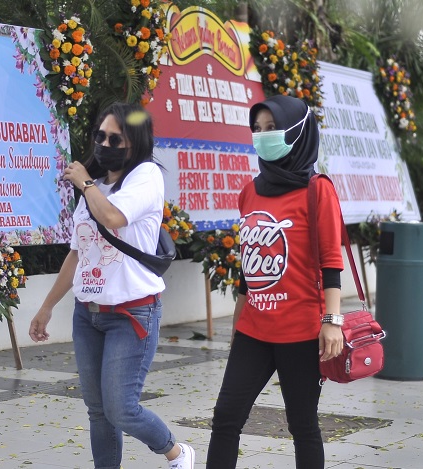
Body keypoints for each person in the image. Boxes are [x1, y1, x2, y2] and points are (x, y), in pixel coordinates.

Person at [28, 103, 195, 469]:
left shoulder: (146, 177)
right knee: (98, 411)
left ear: (134, 143)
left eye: (114, 138)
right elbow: (78, 253)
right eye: (100, 136)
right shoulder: (97, 188)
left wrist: (85, 182)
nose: (104, 143)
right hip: (87, 315)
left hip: (132, 313)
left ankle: (176, 452)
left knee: (122, 409)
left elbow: (114, 217)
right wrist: (47, 306)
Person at [206, 95, 345, 469]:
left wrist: (332, 322)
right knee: (225, 418)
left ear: (297, 132)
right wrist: (237, 322)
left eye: (272, 128)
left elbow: (332, 261)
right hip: (254, 329)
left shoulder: (318, 190)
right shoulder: (250, 191)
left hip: (302, 332)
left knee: (302, 426)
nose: (262, 136)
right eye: (257, 129)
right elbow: (247, 269)